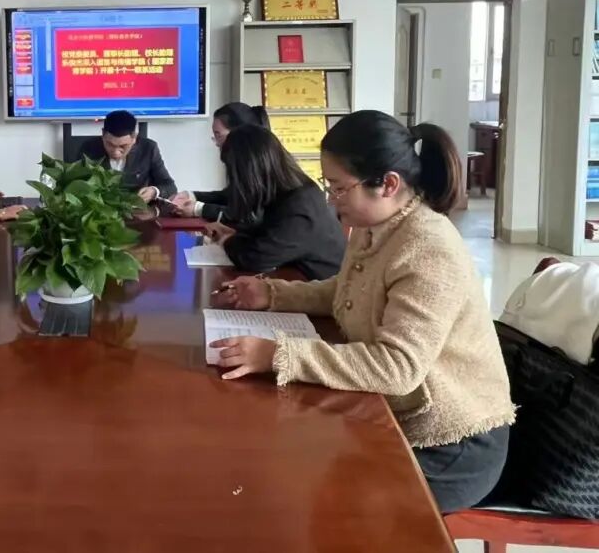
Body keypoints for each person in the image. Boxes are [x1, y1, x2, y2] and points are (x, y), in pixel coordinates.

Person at [209, 110, 514, 513]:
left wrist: (278, 354)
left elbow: (397, 368)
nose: (331, 200)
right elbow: (347, 291)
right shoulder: (376, 225)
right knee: (281, 457)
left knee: (317, 496)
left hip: (448, 444)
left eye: (338, 188)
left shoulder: (428, 248)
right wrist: (272, 294)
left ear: (388, 184)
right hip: (394, 415)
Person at [204, 124, 345, 280]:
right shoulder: (290, 191)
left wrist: (226, 240)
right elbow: (267, 235)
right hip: (298, 279)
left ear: (248, 173)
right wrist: (234, 234)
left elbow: (256, 259)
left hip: (320, 289)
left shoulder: (299, 205)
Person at [171, 102, 269, 221]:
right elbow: (229, 196)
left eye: (218, 135)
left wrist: (199, 209)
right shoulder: (248, 161)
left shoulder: (258, 165)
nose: (217, 144)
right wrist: (191, 196)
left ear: (239, 133)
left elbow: (250, 216)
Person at [79, 110, 176, 202]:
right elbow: (76, 185)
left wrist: (154, 191)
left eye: (123, 146)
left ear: (134, 138)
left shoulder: (148, 148)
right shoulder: (89, 148)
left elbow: (170, 186)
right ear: (103, 134)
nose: (116, 152)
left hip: (137, 208)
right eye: (110, 144)